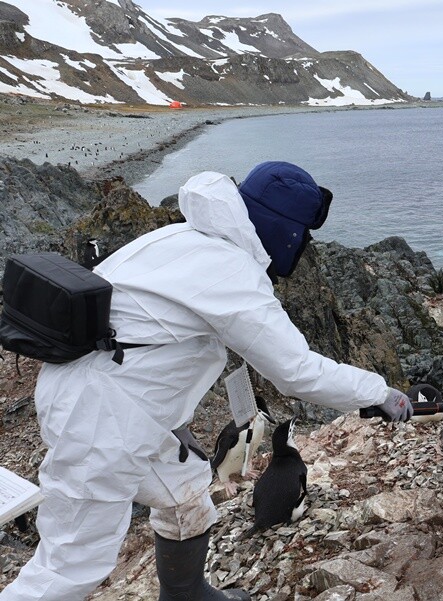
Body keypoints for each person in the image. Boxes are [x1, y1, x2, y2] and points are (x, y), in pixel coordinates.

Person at [0, 161, 413, 601]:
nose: (304, 246)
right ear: (284, 231)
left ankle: (186, 593)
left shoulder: (179, 237)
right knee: (70, 564)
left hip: (111, 400)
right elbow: (296, 372)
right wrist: (378, 392)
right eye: (303, 236)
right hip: (101, 421)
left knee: (184, 487)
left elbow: (143, 333)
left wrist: (171, 417)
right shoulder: (232, 271)